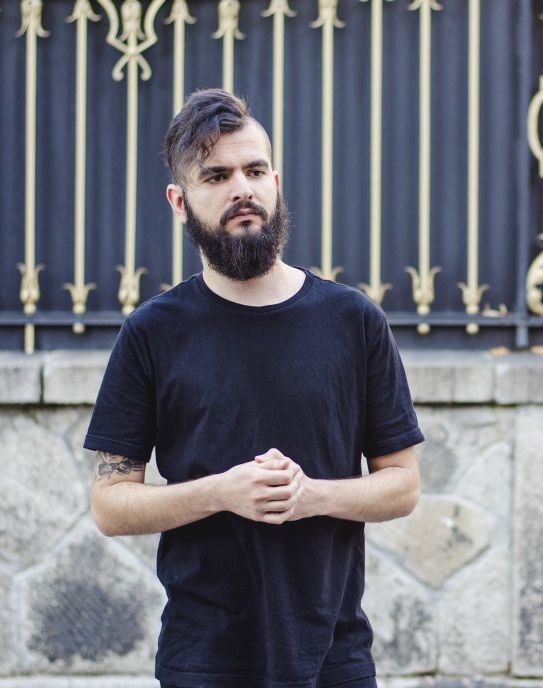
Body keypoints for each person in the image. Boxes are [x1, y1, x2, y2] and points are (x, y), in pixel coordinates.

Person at [84, 88, 424, 688]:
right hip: (203, 660)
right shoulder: (152, 332)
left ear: (276, 182)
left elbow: (403, 485)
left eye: (255, 170)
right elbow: (111, 505)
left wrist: (310, 496)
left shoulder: (352, 321)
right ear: (179, 201)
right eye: (217, 176)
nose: (242, 188)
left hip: (333, 657)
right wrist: (223, 492)